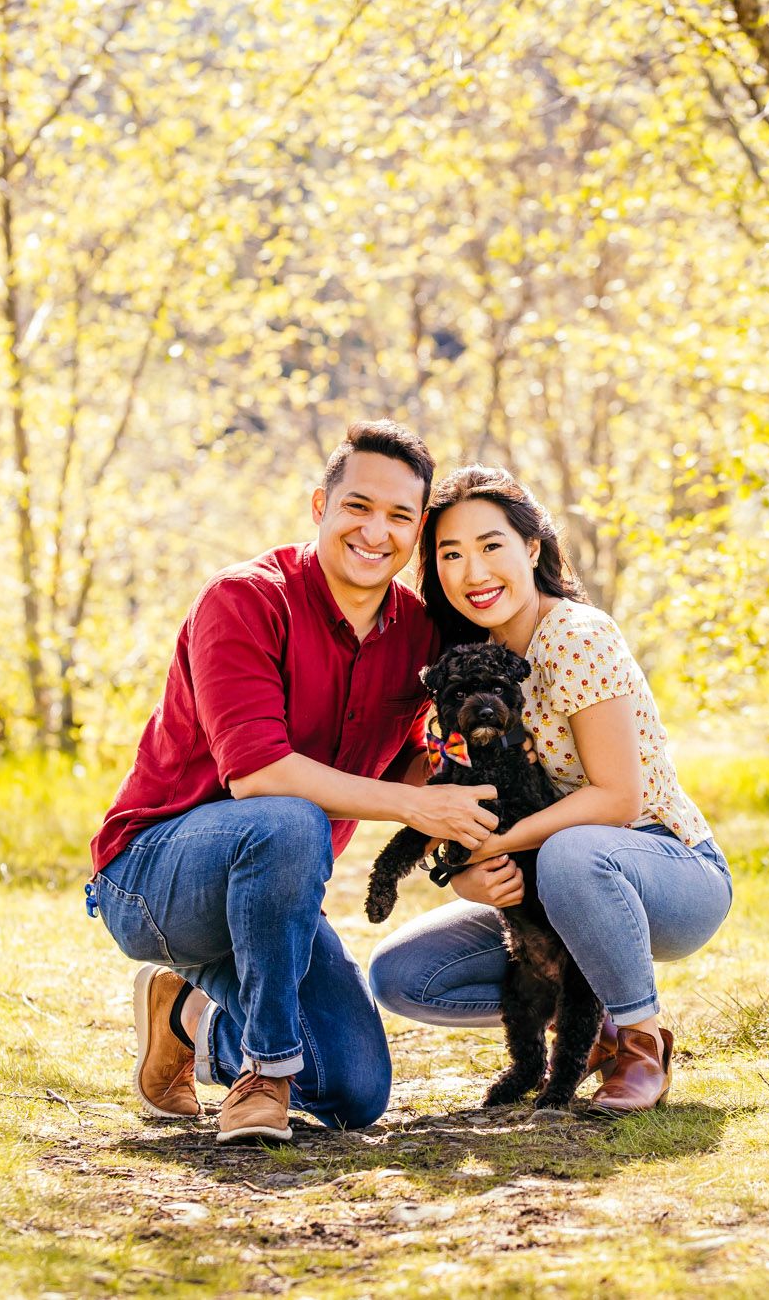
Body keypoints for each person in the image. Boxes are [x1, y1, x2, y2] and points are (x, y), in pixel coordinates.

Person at [87, 421, 499, 1143]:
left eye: (401, 516)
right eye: (358, 507)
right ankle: (264, 1074)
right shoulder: (245, 599)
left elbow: (410, 758)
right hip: (153, 877)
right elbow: (259, 775)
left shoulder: (420, 633)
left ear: (417, 535)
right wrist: (416, 803)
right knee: (289, 816)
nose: (376, 531)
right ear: (320, 506)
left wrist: (458, 778)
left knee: (354, 1089)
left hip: (278, 898)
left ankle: (187, 1015)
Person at [367, 466, 732, 1112]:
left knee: (571, 851)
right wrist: (466, 873)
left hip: (663, 868)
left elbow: (616, 798)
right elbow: (437, 787)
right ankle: (592, 1028)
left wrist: (497, 842)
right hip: (548, 883)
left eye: (491, 545)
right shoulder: (471, 663)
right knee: (402, 976)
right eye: (450, 554)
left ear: (531, 549)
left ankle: (641, 1044)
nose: (473, 570)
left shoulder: (577, 637)